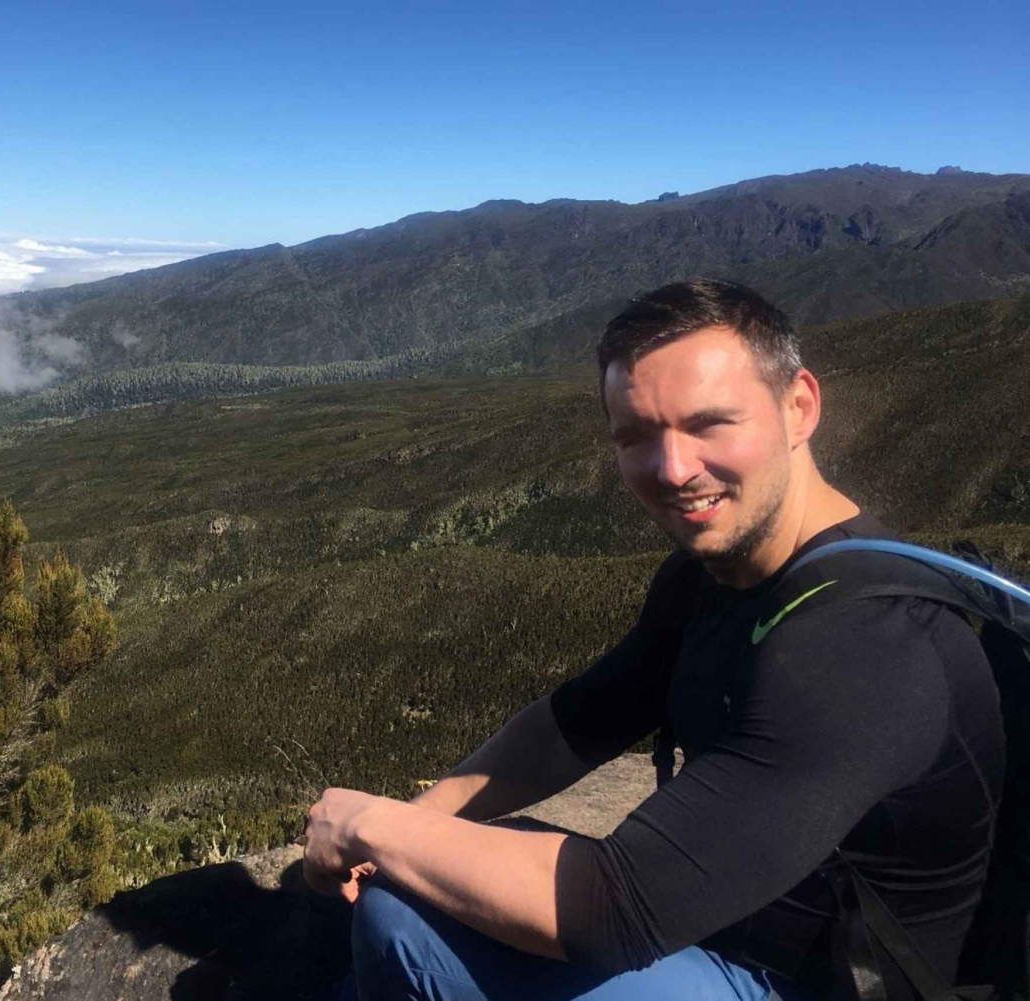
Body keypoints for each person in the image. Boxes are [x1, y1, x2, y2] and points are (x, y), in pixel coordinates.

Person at [303, 278, 1005, 1000]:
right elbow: (573, 724)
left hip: (805, 979)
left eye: (710, 424)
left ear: (799, 406)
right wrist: (421, 821)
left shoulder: (868, 645)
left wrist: (370, 825)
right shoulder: (714, 575)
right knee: (423, 873)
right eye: (636, 435)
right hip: (712, 923)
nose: (673, 469)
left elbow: (615, 909)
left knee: (403, 921)